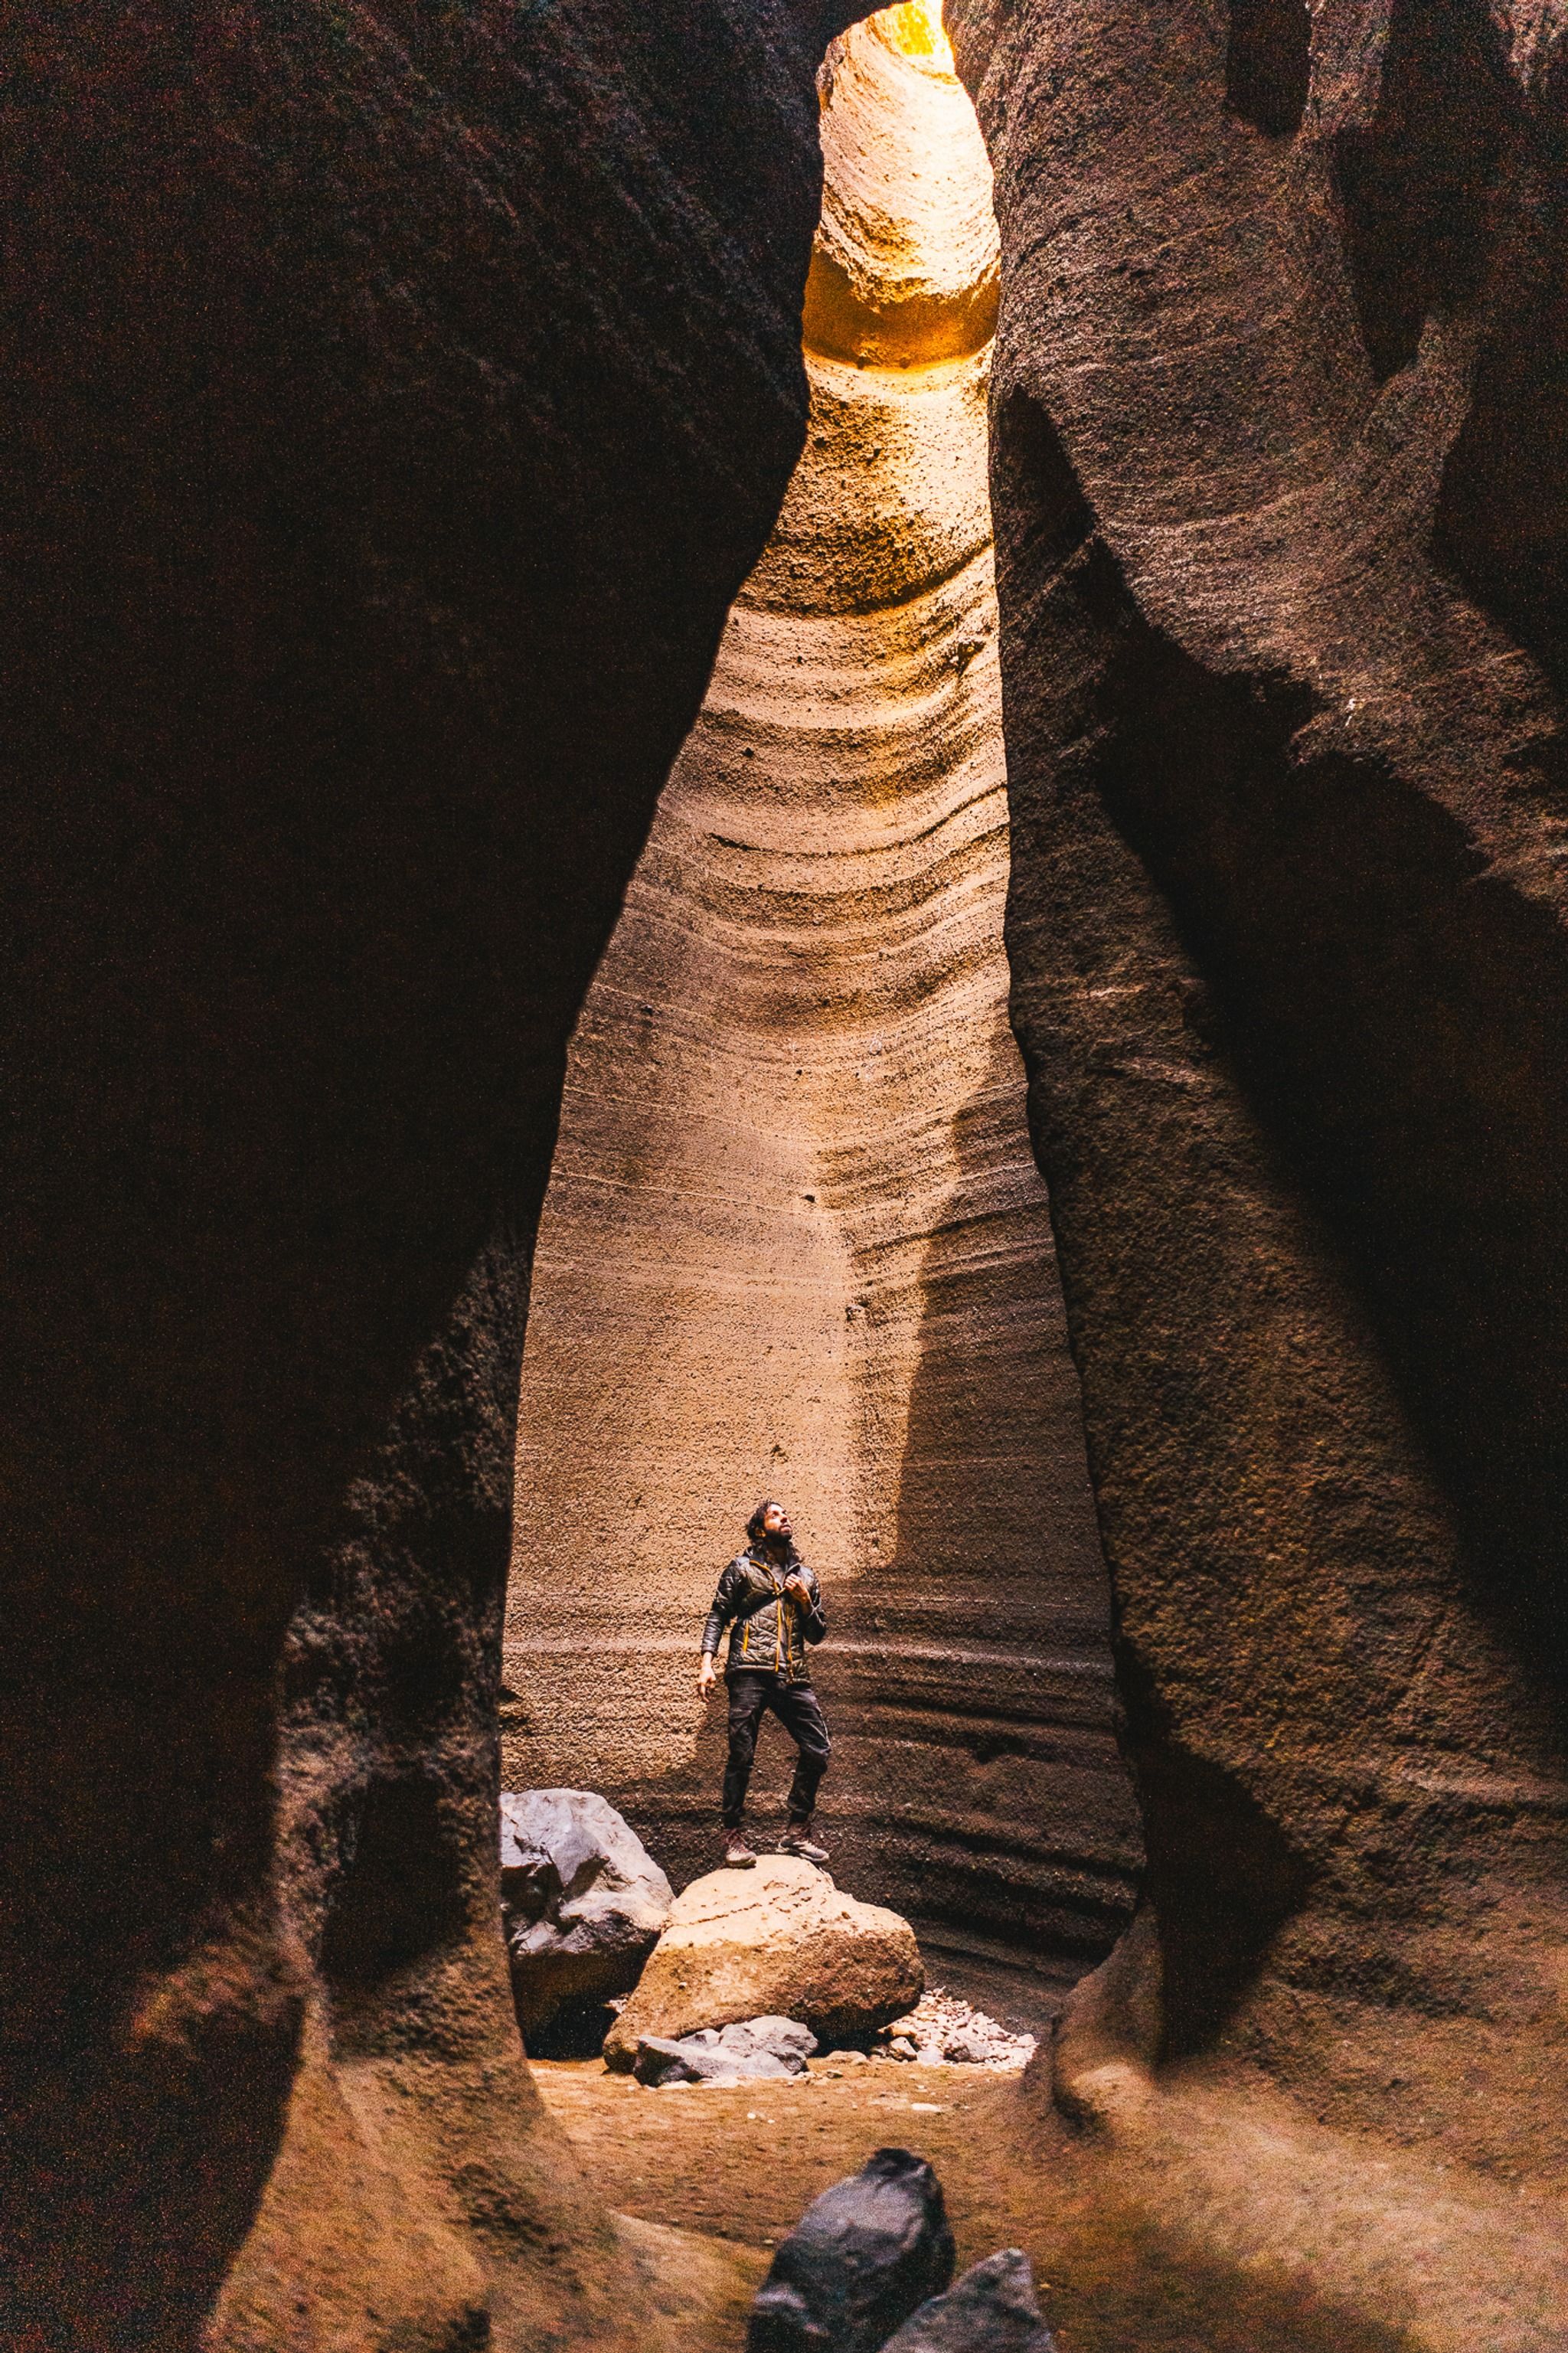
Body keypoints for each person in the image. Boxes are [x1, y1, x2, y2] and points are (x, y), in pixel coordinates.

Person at [698, 1500, 831, 1868]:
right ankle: (732, 1837)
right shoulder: (742, 1569)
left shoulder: (805, 1577)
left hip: (792, 1674)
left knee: (817, 1749)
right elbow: (717, 1614)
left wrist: (805, 1603)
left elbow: (817, 1634)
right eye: (775, 1515)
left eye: (786, 1514)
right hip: (749, 1672)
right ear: (760, 1530)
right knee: (741, 1755)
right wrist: (707, 1664)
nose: (784, 1517)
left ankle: (796, 1832)